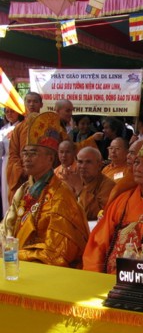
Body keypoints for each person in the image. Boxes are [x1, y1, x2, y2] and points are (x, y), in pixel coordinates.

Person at [83, 122, 143, 274]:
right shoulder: (122, 200)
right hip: (109, 277)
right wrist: (94, 275)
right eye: (137, 163)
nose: (139, 169)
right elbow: (99, 242)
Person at [0, 112, 89, 267]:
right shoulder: (23, 190)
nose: (27, 158)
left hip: (43, 269)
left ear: (50, 159)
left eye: (33, 153)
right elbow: (5, 228)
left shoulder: (61, 196)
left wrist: (13, 254)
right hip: (14, 264)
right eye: (25, 153)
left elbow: (57, 252)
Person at [7, 92, 44, 203]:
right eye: (29, 101)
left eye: (35, 101)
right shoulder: (19, 128)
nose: (32, 104)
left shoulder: (48, 126)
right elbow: (13, 154)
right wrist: (22, 170)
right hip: (22, 176)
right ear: (24, 104)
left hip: (43, 174)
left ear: (41, 104)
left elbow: (55, 151)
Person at [63, 147, 116, 221]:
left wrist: (79, 188)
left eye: (88, 162)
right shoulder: (72, 180)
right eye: (80, 162)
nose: (83, 166)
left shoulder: (108, 185)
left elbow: (96, 214)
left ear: (99, 165)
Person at [0, 107, 23, 214]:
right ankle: (6, 217)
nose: (9, 114)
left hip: (18, 162)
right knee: (5, 191)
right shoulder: (3, 129)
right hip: (6, 162)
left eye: (12, 111)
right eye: (7, 112)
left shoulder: (22, 126)